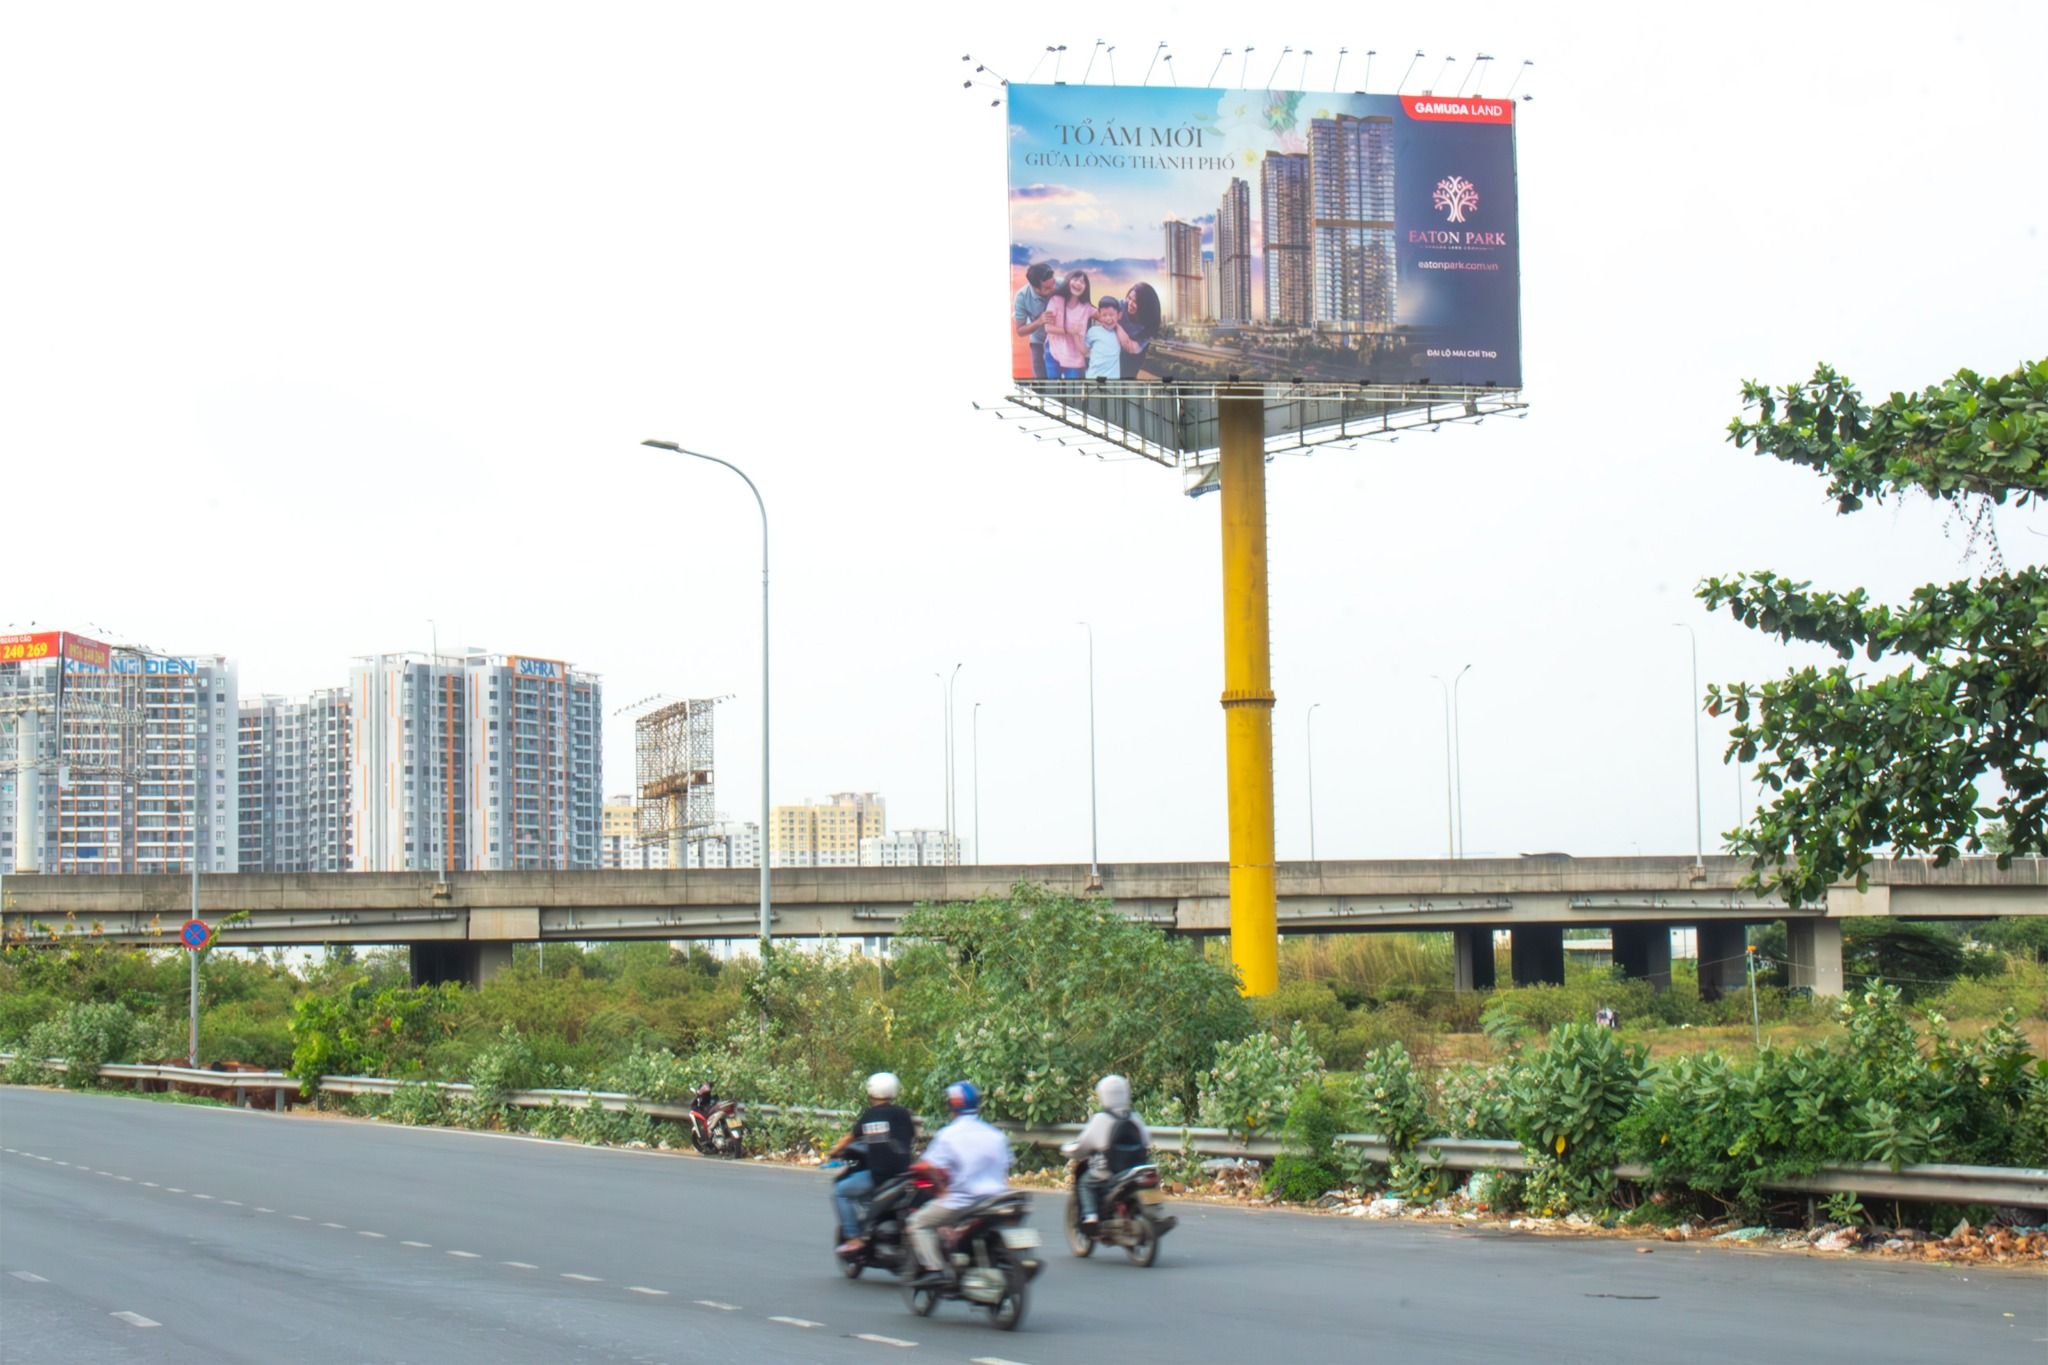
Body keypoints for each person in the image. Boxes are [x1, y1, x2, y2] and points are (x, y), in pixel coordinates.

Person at [908, 1080, 1013, 1287]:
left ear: (952, 1105)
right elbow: (1005, 1166)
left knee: (918, 1223)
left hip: (962, 1201)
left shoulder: (948, 1135)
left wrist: (941, 1188)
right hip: (997, 1199)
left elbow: (927, 1166)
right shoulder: (996, 1135)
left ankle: (935, 1268)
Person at [827, 1072, 917, 1255]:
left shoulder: (870, 1115)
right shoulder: (903, 1114)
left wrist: (833, 1151)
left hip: (879, 1176)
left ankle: (853, 1238)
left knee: (840, 1192)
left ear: (870, 1091)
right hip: (904, 1174)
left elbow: (850, 1138)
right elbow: (910, 1136)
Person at [1061, 1074, 1151, 1227]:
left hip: (1107, 1172)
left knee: (1085, 1184)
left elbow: (1083, 1145)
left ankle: (1090, 1216)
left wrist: (1068, 1150)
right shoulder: (1134, 1117)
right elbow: (1147, 1141)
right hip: (1135, 1170)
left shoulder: (1101, 1119)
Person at [1042, 270, 1093, 379]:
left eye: (1082, 282)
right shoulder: (1055, 300)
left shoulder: (1087, 307)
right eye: (1075, 279)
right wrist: (1069, 331)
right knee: (1053, 390)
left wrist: (1117, 326)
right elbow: (1047, 327)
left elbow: (1104, 315)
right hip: (1053, 350)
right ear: (1068, 280)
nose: (1078, 283)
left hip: (1074, 355)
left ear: (1086, 287)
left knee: (1073, 392)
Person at [1012, 263, 1057, 379]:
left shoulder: (1061, 284)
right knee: (1039, 379)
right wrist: (1039, 321)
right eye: (1047, 288)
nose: (1053, 289)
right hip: (1039, 341)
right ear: (1035, 287)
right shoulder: (1021, 297)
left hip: (1062, 340)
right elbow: (1020, 331)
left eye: (1053, 284)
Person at [1084, 296, 1142, 379]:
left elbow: (1129, 345)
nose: (1108, 318)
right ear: (1099, 314)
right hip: (1092, 378)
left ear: (1119, 315)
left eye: (1111, 315)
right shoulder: (1093, 331)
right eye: (1104, 315)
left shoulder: (1120, 334)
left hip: (1112, 382)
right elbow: (1083, 351)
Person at [1117, 282, 1161, 381]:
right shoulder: (1121, 305)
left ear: (1145, 305)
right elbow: (1100, 313)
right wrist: (1116, 325)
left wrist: (1117, 326)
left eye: (1136, 302)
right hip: (1114, 348)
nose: (1130, 304)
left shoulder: (1149, 323)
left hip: (1132, 357)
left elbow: (1133, 348)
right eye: (1129, 298)